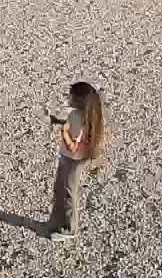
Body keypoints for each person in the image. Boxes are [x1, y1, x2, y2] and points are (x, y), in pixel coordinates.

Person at [46, 81, 105, 240]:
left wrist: (63, 132)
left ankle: (70, 229)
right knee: (60, 188)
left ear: (78, 99)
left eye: (70, 95)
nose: (68, 97)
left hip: (74, 159)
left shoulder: (78, 118)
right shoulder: (87, 115)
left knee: (68, 192)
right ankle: (57, 221)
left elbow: (73, 146)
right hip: (71, 157)